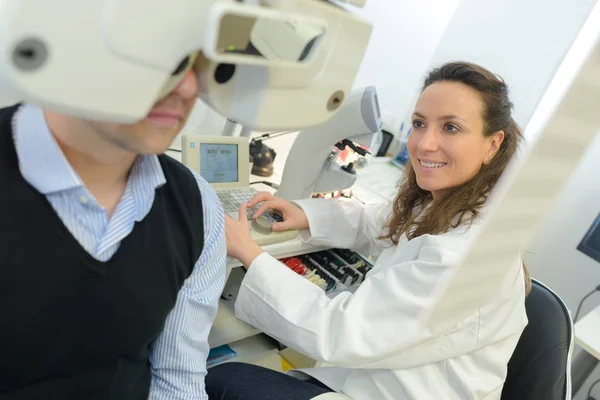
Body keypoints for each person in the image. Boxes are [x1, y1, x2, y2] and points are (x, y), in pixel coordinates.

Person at [207, 61, 531, 400]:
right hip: (374, 378)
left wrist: (250, 253)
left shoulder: (464, 257)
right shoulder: (452, 204)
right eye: (419, 124)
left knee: (221, 380)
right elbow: (378, 221)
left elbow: (339, 330)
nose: (423, 144)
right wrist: (305, 213)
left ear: (492, 144)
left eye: (451, 128)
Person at [0, 60, 226, 399]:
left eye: (203, 61)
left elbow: (178, 380)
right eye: (167, 54)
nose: (189, 87)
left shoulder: (197, 205)